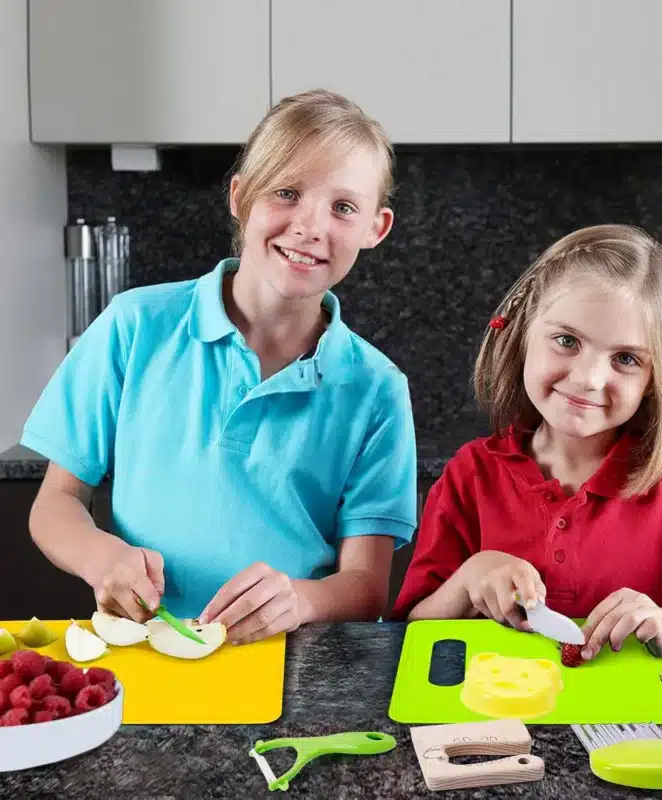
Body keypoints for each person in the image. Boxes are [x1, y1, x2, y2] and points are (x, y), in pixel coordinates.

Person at [22, 89, 418, 645]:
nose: (310, 226)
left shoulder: (377, 390)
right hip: (145, 650)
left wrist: (299, 599)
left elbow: (365, 587)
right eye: (286, 192)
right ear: (240, 197)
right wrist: (98, 555)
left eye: (343, 207)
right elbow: (55, 504)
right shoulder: (134, 326)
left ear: (375, 228)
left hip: (294, 665)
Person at [392, 224, 662, 658]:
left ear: (654, 378)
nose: (588, 379)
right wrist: (469, 579)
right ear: (522, 333)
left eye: (625, 359)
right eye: (567, 341)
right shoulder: (470, 475)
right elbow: (414, 631)